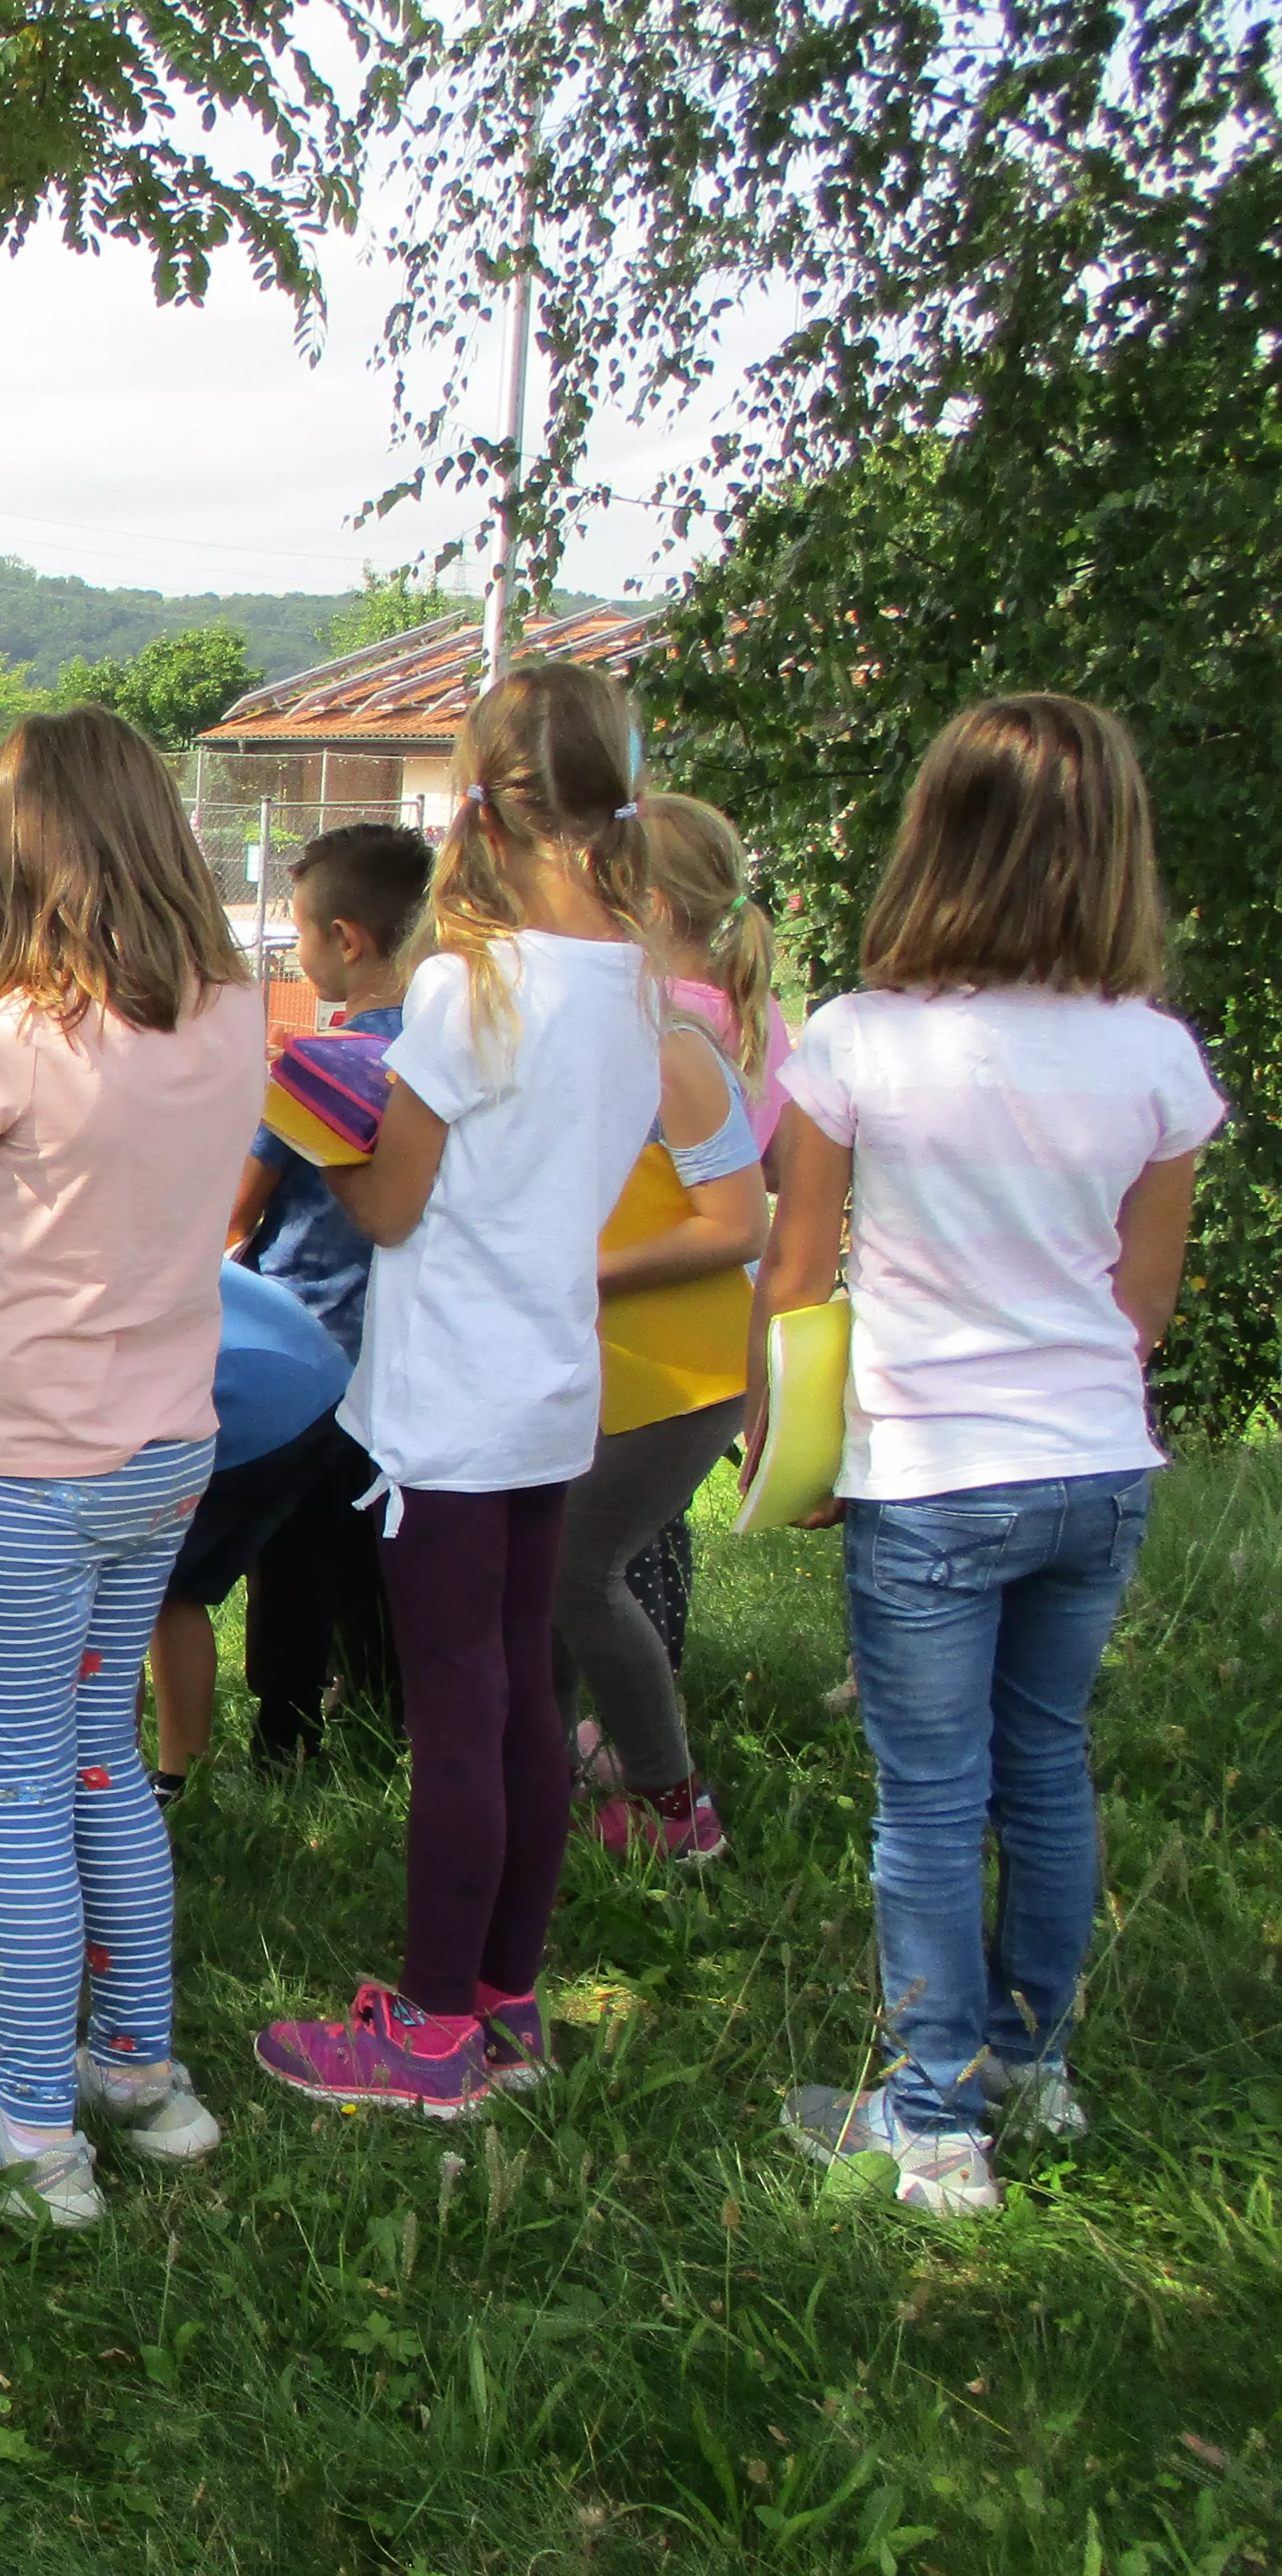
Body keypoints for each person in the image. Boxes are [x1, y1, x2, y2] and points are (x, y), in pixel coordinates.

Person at [760, 695, 1216, 2216]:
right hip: (1092, 1466)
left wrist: (784, 1444)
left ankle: (929, 2116)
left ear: (930, 842)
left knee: (927, 1796)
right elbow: (1139, 1304)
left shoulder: (855, 1040)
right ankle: (1034, 2062)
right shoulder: (1152, 1054)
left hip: (926, 1471)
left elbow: (795, 1271)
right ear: (1113, 855)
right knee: (1045, 1766)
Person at [0, 707, 266, 2225]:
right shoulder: (234, 1009)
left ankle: (31, 2132)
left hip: (23, 1467)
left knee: (16, 1790)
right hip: (164, 1449)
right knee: (99, 1760)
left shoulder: (9, 1038)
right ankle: (136, 2072)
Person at [253, 661, 664, 2119]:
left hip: (443, 1406)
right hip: (549, 1385)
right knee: (516, 1711)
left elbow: (385, 1209)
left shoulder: (465, 988)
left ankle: (428, 2033)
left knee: (456, 1719)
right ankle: (500, 1999)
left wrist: (303, 1118)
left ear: (477, 809)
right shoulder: (631, 980)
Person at [549, 795, 775, 1865]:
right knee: (549, 1569)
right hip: (627, 1369)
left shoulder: (674, 1046)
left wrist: (576, 1269)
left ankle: (672, 1804)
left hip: (682, 1374)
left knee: (574, 1571)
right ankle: (543, 1776)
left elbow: (737, 1223)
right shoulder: (616, 1034)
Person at [229, 822, 429, 1759]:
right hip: (411, 1343)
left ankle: (288, 1727)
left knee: (295, 1548)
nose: (297, 952)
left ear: (347, 940)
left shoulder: (320, 1065)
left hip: (306, 1339)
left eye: (302, 933)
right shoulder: (452, 1049)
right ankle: (391, 1702)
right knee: (384, 1536)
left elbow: (240, 1205)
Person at [141, 1263, 356, 1781]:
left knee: (140, 1589)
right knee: (178, 1587)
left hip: (260, 1390)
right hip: (318, 1375)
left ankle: (133, 1787)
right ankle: (197, 1776)